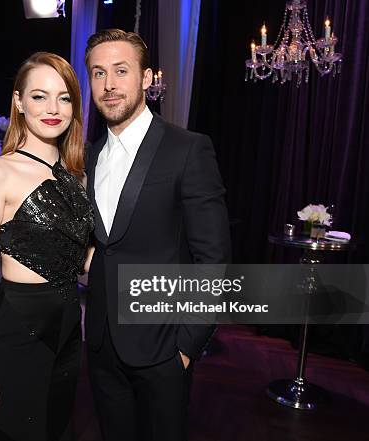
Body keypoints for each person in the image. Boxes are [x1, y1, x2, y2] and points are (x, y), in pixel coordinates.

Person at [84, 29, 231, 441]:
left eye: (120, 71)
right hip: (99, 344)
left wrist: (186, 347)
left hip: (164, 349)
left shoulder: (188, 149)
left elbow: (214, 259)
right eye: (98, 73)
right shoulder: (90, 156)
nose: (109, 85)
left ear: (146, 78)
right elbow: (104, 244)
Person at [0, 52, 94, 441]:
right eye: (39, 97)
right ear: (19, 102)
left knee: (55, 429)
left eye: (64, 97)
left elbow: (83, 260)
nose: (53, 109)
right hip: (17, 330)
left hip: (69, 333)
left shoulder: (79, 178)